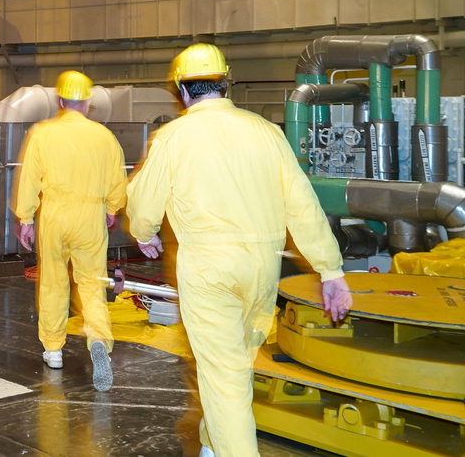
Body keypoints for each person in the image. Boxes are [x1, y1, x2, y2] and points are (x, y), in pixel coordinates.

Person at [126, 43, 353, 457]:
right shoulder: (266, 131)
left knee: (223, 374)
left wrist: (144, 234)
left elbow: (143, 204)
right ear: (227, 81)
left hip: (210, 269)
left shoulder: (173, 137)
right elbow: (302, 204)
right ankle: (214, 444)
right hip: (263, 268)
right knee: (238, 365)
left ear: (181, 87)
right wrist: (330, 270)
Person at [14, 70, 127, 391]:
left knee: (52, 281)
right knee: (91, 283)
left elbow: (30, 179)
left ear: (61, 100)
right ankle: (99, 339)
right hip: (90, 215)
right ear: (88, 103)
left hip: (54, 214)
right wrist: (110, 208)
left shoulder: (42, 133)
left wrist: (26, 219)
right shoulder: (104, 137)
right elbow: (118, 182)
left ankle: (53, 350)